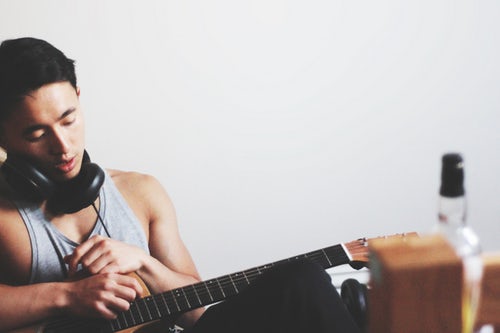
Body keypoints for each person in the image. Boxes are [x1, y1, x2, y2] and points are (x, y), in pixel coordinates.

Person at [0, 37, 362, 333]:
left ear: (79, 98)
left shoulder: (140, 193)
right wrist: (68, 296)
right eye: (36, 134)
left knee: (302, 279)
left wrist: (144, 263)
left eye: (69, 120)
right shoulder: (6, 217)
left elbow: (197, 313)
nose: (62, 146)